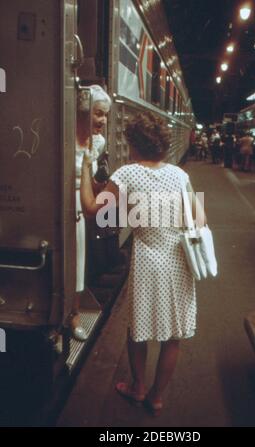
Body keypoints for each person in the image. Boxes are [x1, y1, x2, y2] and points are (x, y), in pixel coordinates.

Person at [80, 111, 206, 415]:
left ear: (135, 143)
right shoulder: (179, 175)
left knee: (138, 329)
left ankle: (137, 387)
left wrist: (85, 168)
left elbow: (92, 209)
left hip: (149, 260)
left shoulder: (126, 174)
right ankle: (156, 397)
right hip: (179, 260)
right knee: (172, 335)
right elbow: (200, 219)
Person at [72, 85, 112, 341]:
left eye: (105, 115)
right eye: (98, 113)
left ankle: (73, 314)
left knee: (77, 262)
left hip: (80, 205)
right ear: (84, 111)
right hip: (58, 201)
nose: (103, 120)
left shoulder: (97, 143)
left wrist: (100, 181)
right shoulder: (64, 134)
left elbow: (93, 187)